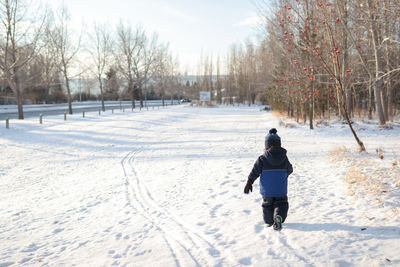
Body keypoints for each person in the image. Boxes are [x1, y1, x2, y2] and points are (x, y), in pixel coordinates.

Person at [244, 128, 293, 231]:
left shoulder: (262, 158)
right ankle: (278, 217)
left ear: (266, 145)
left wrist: (249, 182)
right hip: (280, 189)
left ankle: (269, 221)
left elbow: (255, 172)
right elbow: (290, 169)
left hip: (267, 190)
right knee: (281, 203)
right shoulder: (284, 157)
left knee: (267, 205)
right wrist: (284, 174)